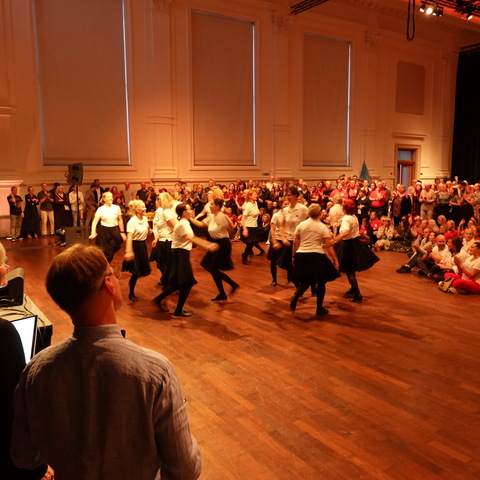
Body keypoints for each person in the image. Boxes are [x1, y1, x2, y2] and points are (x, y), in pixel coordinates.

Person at [10, 243, 201, 480]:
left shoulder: (36, 371)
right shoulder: (156, 372)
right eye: (113, 272)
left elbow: (23, 456)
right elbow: (185, 469)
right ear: (109, 284)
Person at [153, 203, 219, 317]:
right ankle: (177, 309)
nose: (192, 211)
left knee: (179, 283)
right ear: (184, 212)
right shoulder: (183, 224)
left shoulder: (184, 222)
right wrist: (207, 244)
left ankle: (159, 300)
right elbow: (190, 237)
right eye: (189, 209)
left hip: (180, 253)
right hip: (179, 254)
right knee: (187, 282)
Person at [290, 204, 340, 316]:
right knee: (321, 282)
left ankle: (295, 296)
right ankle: (319, 308)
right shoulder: (322, 227)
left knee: (306, 280)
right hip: (316, 255)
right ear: (319, 214)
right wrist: (335, 259)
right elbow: (328, 245)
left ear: (308, 213)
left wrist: (294, 255)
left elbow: (296, 242)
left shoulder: (301, 225)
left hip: (302, 254)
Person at [190, 198, 239, 301]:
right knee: (210, 268)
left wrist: (229, 225)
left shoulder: (222, 217)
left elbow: (230, 229)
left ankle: (232, 285)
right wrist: (189, 218)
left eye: (211, 204)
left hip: (222, 245)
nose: (209, 206)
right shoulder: (212, 216)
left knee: (212, 268)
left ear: (217, 206)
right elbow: (201, 224)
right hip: (216, 243)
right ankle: (224, 292)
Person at [333, 199, 379, 302]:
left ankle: (358, 294)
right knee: (351, 269)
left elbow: (345, 232)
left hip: (347, 245)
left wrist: (336, 239)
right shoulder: (354, 217)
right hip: (354, 244)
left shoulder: (346, 218)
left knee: (349, 271)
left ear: (345, 209)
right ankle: (353, 289)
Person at [122, 200, 151, 302]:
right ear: (137, 210)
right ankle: (131, 293)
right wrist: (128, 251)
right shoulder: (132, 222)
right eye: (142, 207)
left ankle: (131, 292)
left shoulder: (145, 219)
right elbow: (129, 237)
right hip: (135, 246)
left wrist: (151, 232)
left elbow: (147, 230)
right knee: (136, 272)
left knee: (140, 271)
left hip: (142, 246)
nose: (145, 209)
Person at [277, 187, 308, 281]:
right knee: (289, 263)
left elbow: (310, 220)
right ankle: (293, 281)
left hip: (301, 240)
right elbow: (282, 226)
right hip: (289, 239)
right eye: (286, 195)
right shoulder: (285, 210)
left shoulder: (303, 209)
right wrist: (283, 238)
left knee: (302, 263)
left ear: (295, 196)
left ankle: (305, 282)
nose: (287, 197)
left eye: (289, 195)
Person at [89, 191, 126, 263]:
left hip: (114, 230)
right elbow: (95, 222)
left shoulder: (116, 208)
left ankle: (107, 263)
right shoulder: (100, 209)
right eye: (108, 197)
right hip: (104, 231)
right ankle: (105, 264)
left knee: (113, 248)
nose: (111, 198)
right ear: (104, 199)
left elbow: (120, 220)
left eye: (111, 197)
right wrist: (93, 232)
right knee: (104, 250)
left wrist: (122, 232)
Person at [151, 192, 176, 286]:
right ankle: (166, 279)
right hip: (161, 239)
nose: (156, 201)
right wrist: (156, 239)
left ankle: (169, 281)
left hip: (167, 240)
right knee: (161, 261)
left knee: (165, 263)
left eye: (158, 199)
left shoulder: (166, 211)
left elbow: (175, 226)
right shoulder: (161, 211)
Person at [240, 189, 265, 265]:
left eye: (256, 194)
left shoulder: (255, 203)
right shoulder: (249, 205)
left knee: (252, 243)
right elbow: (243, 218)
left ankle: (245, 254)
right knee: (250, 243)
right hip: (248, 226)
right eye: (254, 195)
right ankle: (244, 257)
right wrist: (245, 229)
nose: (256, 196)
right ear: (250, 196)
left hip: (254, 226)